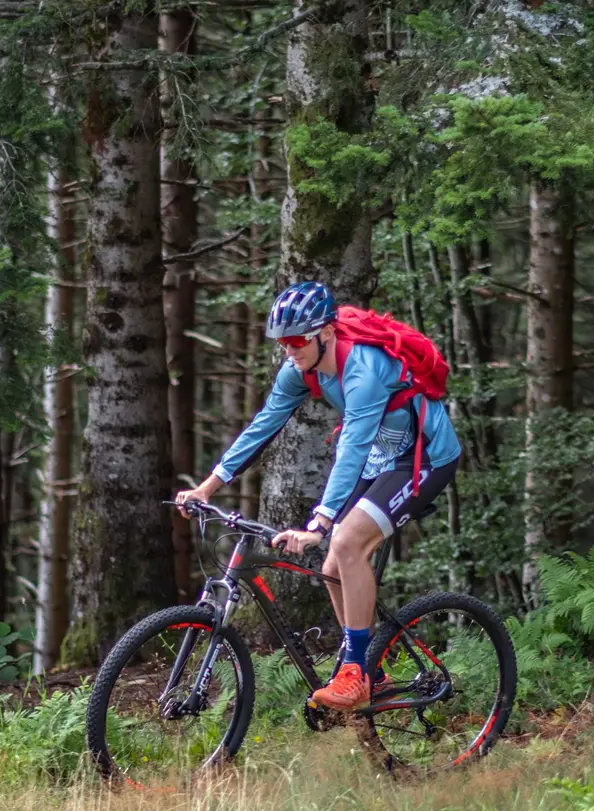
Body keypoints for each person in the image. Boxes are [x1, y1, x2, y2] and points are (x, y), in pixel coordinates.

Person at [174, 281, 462, 709]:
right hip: (381, 458)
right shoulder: (299, 369)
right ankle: (370, 672)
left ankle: (355, 671)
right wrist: (208, 485)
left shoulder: (363, 368)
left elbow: (354, 447)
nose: (288, 350)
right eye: (281, 342)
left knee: (345, 544)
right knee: (331, 565)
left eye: (295, 340)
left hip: (424, 458)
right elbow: (264, 424)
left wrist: (321, 522)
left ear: (325, 332)